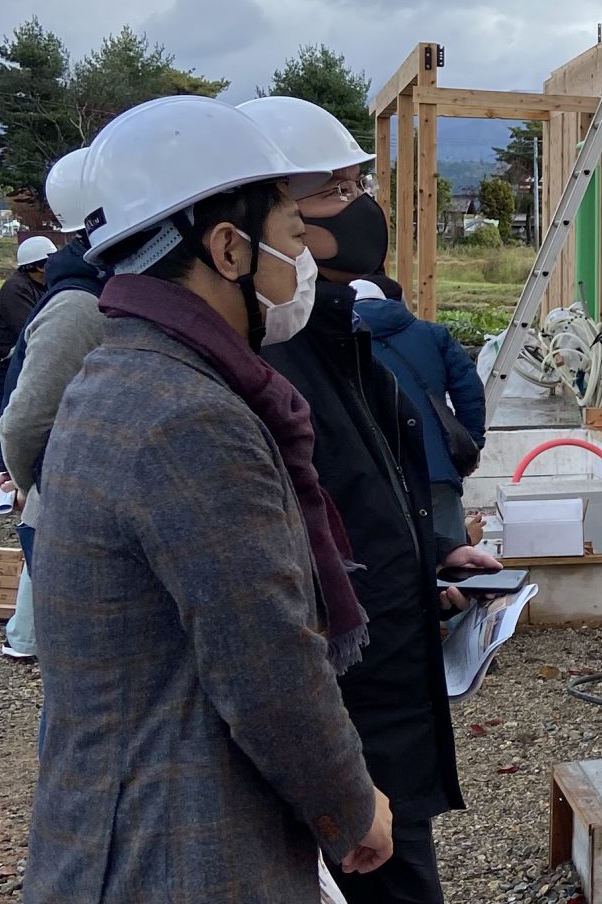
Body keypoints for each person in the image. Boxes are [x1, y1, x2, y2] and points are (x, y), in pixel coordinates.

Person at [24, 96, 393, 901]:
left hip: (114, 828)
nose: (302, 258)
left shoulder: (123, 371)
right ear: (229, 248)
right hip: (176, 850)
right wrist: (352, 806)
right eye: (291, 234)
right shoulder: (189, 417)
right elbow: (266, 664)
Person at [242, 94, 495, 904]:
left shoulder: (334, 335)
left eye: (359, 187)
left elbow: (359, 495)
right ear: (247, 222)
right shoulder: (259, 363)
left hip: (381, 694)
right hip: (339, 712)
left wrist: (434, 557)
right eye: (333, 192)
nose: (360, 210)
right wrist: (340, 784)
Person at [0, 151, 105, 663]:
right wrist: (31, 482)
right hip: (66, 508)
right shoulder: (80, 305)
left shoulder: (94, 293)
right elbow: (25, 421)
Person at [352, 276, 487, 547]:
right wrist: (470, 445)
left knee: (386, 559)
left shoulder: (334, 342)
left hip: (369, 475)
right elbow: (470, 391)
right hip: (434, 469)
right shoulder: (432, 335)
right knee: (453, 557)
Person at [0, 235, 54, 479]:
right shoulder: (17, 288)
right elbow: (30, 329)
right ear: (38, 266)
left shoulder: (39, 287)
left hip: (3, 366)